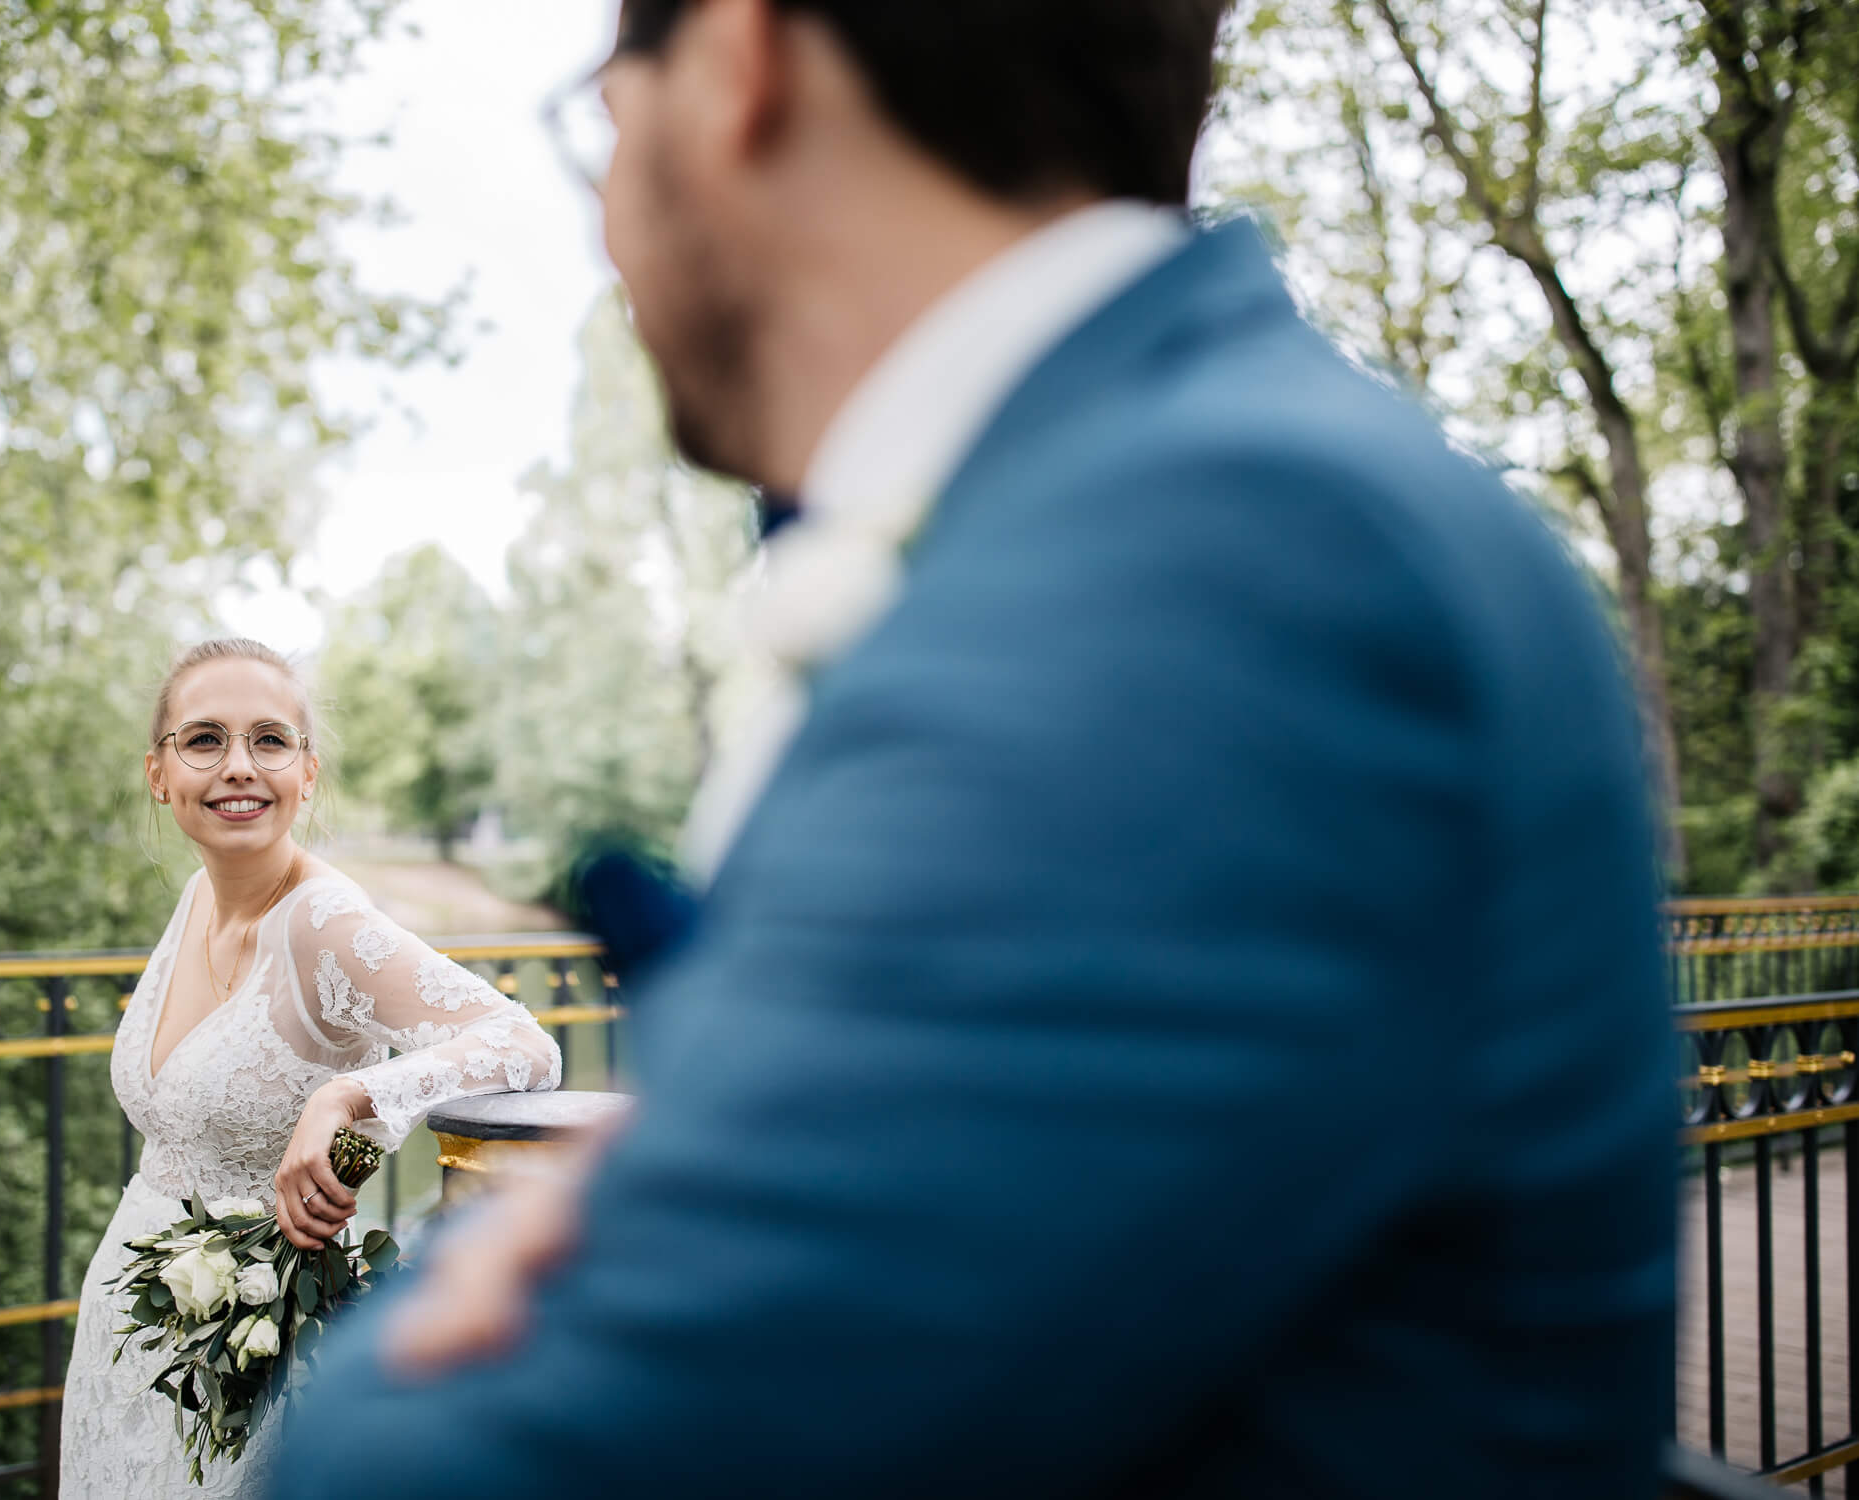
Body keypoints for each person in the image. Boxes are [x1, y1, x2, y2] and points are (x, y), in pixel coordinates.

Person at [279, 1, 1676, 1495]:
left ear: (737, 67)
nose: (607, 218)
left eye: (604, 122)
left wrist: (491, 1288)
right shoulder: (1165, 498)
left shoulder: (1214, 562)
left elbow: (484, 1464)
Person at [59, 638, 560, 1496]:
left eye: (270, 740)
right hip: (132, 1320)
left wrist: (347, 1099)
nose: (239, 768)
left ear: (308, 772)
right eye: (205, 739)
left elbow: (524, 1047)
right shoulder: (194, 900)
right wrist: (346, 1141)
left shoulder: (324, 922)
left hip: (260, 1343)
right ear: (159, 773)